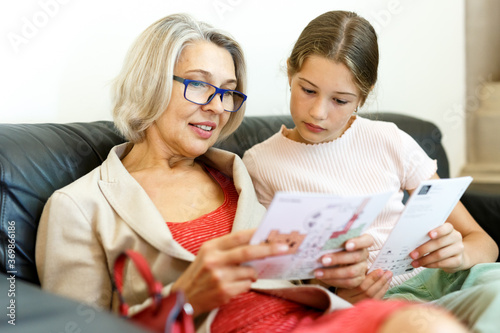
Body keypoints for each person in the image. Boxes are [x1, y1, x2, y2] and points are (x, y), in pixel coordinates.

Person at [35, 13, 467, 333]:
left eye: (227, 91)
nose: (218, 106)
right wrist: (185, 298)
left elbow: (297, 282)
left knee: (428, 322)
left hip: (319, 323)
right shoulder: (79, 206)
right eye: (201, 84)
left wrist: (348, 288)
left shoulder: (239, 176)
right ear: (150, 81)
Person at [242, 10, 500, 332]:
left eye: (340, 100)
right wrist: (340, 294)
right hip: (382, 305)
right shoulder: (260, 164)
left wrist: (458, 254)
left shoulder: (389, 139)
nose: (318, 112)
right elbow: (279, 279)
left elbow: (485, 243)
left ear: (362, 97)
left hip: (454, 281)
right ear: (290, 73)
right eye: (307, 90)